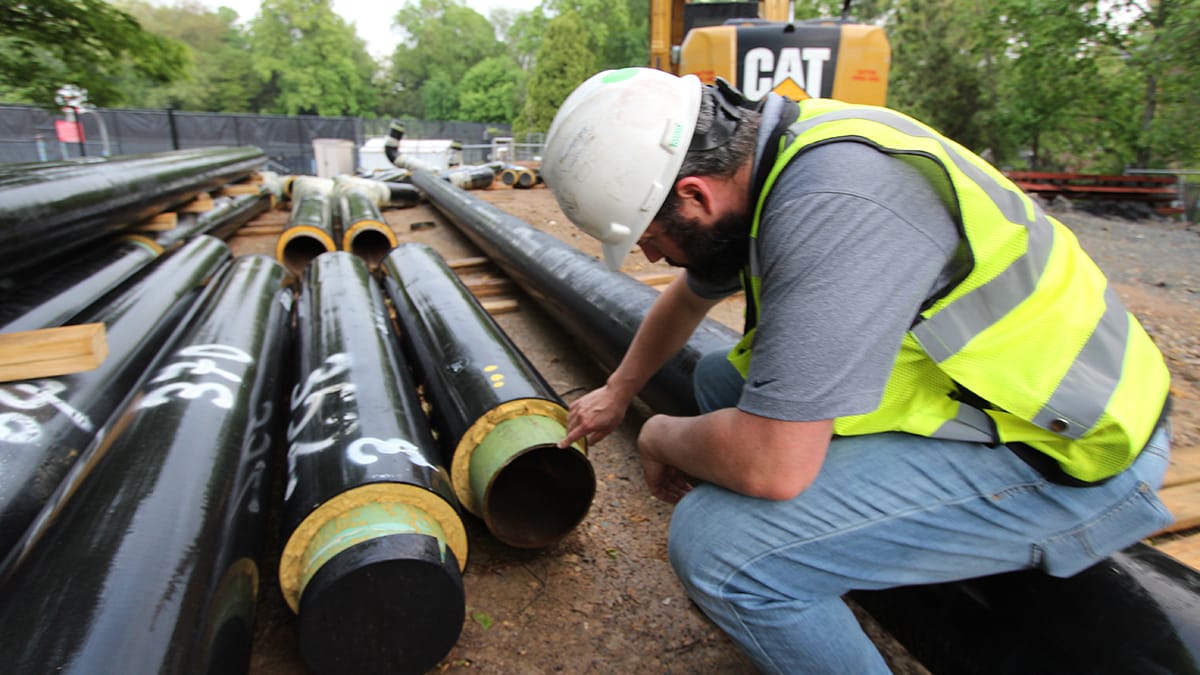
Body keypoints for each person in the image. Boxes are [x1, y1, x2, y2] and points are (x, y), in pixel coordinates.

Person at [541, 67, 1174, 673]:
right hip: (998, 396)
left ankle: (770, 578)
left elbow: (773, 462)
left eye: (649, 237)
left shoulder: (833, 202)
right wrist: (620, 391)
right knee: (716, 381)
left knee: (717, 548)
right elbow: (689, 295)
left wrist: (657, 434)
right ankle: (809, 568)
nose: (650, 254)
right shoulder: (775, 154)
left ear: (693, 195)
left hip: (1069, 450)